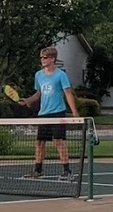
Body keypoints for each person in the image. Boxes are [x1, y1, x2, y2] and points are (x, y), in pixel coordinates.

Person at [20, 46, 80, 181]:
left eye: (45, 57)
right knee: (40, 142)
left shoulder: (61, 75)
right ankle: (38, 170)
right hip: (43, 113)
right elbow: (39, 93)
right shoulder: (38, 75)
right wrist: (28, 100)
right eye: (41, 58)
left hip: (58, 112)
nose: (42, 60)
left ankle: (67, 171)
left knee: (59, 141)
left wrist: (74, 112)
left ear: (52, 59)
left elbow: (68, 93)